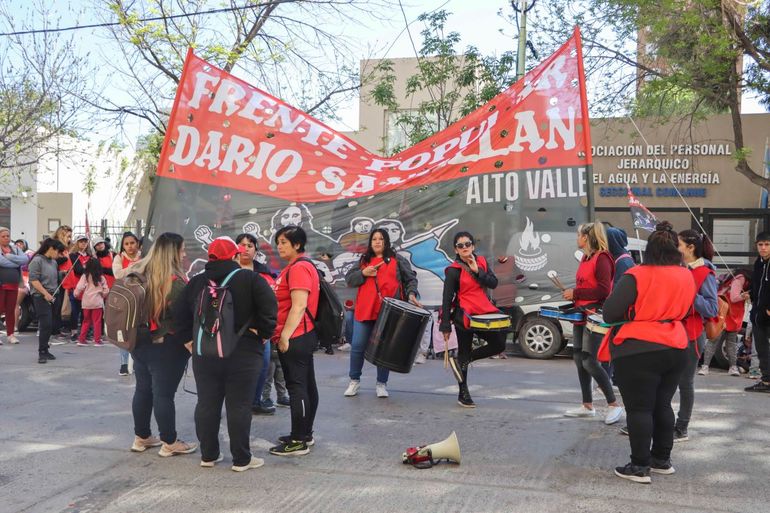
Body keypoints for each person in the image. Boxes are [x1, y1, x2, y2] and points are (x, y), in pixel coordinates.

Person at [601, 223, 696, 484]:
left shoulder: (637, 274)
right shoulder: (685, 274)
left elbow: (610, 312)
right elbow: (688, 309)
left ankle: (639, 466)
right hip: (677, 344)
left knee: (639, 409)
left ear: (649, 250)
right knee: (662, 404)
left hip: (639, 346)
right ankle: (661, 460)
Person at [176, 236, 277, 471]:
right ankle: (242, 459)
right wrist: (262, 334)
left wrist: (189, 342)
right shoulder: (251, 279)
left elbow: (178, 314)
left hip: (205, 352)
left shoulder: (197, 282)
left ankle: (208, 455)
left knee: (207, 403)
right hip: (244, 351)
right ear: (235, 255)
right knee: (239, 405)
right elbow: (270, 310)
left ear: (210, 257)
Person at [129, 232, 196, 457]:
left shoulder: (138, 274)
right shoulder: (175, 282)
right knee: (164, 394)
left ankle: (142, 437)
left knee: (143, 390)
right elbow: (183, 318)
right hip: (167, 346)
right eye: (182, 250)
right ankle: (170, 441)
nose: (185, 254)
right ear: (173, 253)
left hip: (138, 341)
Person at [343, 228, 420, 398]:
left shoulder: (397, 259)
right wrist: (363, 273)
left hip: (389, 313)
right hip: (365, 310)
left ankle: (381, 384)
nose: (377, 242)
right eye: (374, 239)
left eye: (381, 239)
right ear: (370, 242)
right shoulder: (364, 260)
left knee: (384, 349)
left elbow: (410, 279)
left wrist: (412, 293)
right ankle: (354, 381)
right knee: (357, 346)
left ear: (386, 242)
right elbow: (349, 279)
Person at [561, 222, 623, 424]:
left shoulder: (602, 258)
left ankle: (613, 405)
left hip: (595, 314)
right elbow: (586, 285)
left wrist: (576, 293)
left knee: (589, 360)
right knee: (578, 358)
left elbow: (604, 290)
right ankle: (587, 404)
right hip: (582, 313)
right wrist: (574, 295)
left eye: (578, 234)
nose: (576, 238)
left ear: (586, 237)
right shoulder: (587, 257)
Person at [269, 225, 320, 456]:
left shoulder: (299, 268)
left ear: (297, 245)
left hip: (296, 335)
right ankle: (304, 433)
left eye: (284, 242)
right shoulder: (296, 267)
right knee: (306, 385)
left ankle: (298, 440)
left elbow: (299, 306)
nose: (279, 246)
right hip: (300, 334)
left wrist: (285, 336)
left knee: (297, 387)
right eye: (278, 242)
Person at [440, 231, 506, 408]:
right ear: (456, 249)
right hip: (464, 313)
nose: (464, 248)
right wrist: (445, 324)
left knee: (499, 344)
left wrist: (478, 271)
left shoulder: (482, 262)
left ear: (473, 246)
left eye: (467, 244)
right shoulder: (454, 270)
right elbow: (446, 298)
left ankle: (464, 359)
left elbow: (493, 283)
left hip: (484, 311)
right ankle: (463, 393)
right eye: (460, 246)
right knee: (463, 350)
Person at [675, 228, 718, 442]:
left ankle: (682, 427)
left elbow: (712, 309)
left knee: (685, 383)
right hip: (673, 331)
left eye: (679, 245)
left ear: (690, 248)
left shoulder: (705, 273)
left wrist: (690, 293)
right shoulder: (681, 269)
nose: (676, 248)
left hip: (692, 333)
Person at [234, 232, 279, 416]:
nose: (245, 248)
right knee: (232, 368)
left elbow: (270, 303)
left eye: (250, 245)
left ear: (255, 250)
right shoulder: (228, 271)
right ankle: (233, 402)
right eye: (242, 245)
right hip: (233, 330)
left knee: (263, 364)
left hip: (259, 330)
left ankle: (255, 401)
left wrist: (263, 328)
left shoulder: (264, 273)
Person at [700, 269, 751, 376]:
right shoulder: (741, 279)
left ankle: (729, 367)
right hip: (727, 314)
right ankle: (706, 366)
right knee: (719, 341)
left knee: (726, 341)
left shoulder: (736, 278)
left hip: (729, 314)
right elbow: (733, 297)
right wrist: (743, 296)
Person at [28, 238, 65, 363]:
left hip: (54, 294)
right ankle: (41, 352)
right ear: (51, 248)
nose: (59, 254)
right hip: (40, 296)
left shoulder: (53, 262)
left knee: (52, 324)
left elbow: (53, 276)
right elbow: (34, 280)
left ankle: (46, 349)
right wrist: (45, 294)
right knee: (46, 323)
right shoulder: (37, 260)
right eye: (58, 251)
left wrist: (62, 274)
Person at [113, 232, 142, 376]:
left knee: (139, 331)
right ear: (123, 246)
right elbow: (118, 274)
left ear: (137, 243)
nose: (130, 246)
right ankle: (124, 364)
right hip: (123, 300)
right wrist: (135, 267)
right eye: (126, 244)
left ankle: (138, 362)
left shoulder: (144, 256)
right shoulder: (119, 258)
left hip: (142, 299)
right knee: (123, 332)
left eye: (132, 243)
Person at [746, 232, 770, 393]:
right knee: (762, 350)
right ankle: (767, 381)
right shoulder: (758, 263)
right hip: (758, 315)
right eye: (760, 244)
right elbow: (757, 286)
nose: (763, 248)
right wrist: (750, 294)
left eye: (767, 244)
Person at [0, 227, 29, 344]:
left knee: (10, 310)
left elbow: (25, 259)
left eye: (8, 236)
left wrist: (10, 257)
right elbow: (2, 262)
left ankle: (10, 334)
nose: (6, 238)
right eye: (3, 236)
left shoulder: (14, 248)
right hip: (1, 284)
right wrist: (16, 263)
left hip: (14, 283)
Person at [74, 258, 109, 347]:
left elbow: (79, 287)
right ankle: (97, 340)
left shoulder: (85, 276)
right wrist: (103, 294)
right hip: (97, 303)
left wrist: (76, 294)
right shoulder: (101, 278)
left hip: (86, 303)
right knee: (97, 322)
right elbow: (106, 290)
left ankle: (81, 340)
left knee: (86, 321)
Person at [66, 234, 93, 341]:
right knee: (75, 311)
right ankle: (73, 332)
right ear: (77, 243)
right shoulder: (73, 255)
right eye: (81, 241)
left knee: (85, 311)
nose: (83, 243)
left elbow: (94, 269)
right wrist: (86, 268)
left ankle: (84, 331)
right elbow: (78, 270)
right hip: (75, 286)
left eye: (85, 242)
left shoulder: (90, 256)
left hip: (88, 288)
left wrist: (85, 268)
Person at [50, 225, 73, 341]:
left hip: (65, 278)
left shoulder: (66, 247)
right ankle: (54, 330)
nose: (70, 239)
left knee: (59, 305)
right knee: (56, 305)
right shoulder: (55, 245)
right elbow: (52, 260)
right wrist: (63, 260)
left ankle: (57, 329)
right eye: (68, 236)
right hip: (57, 278)